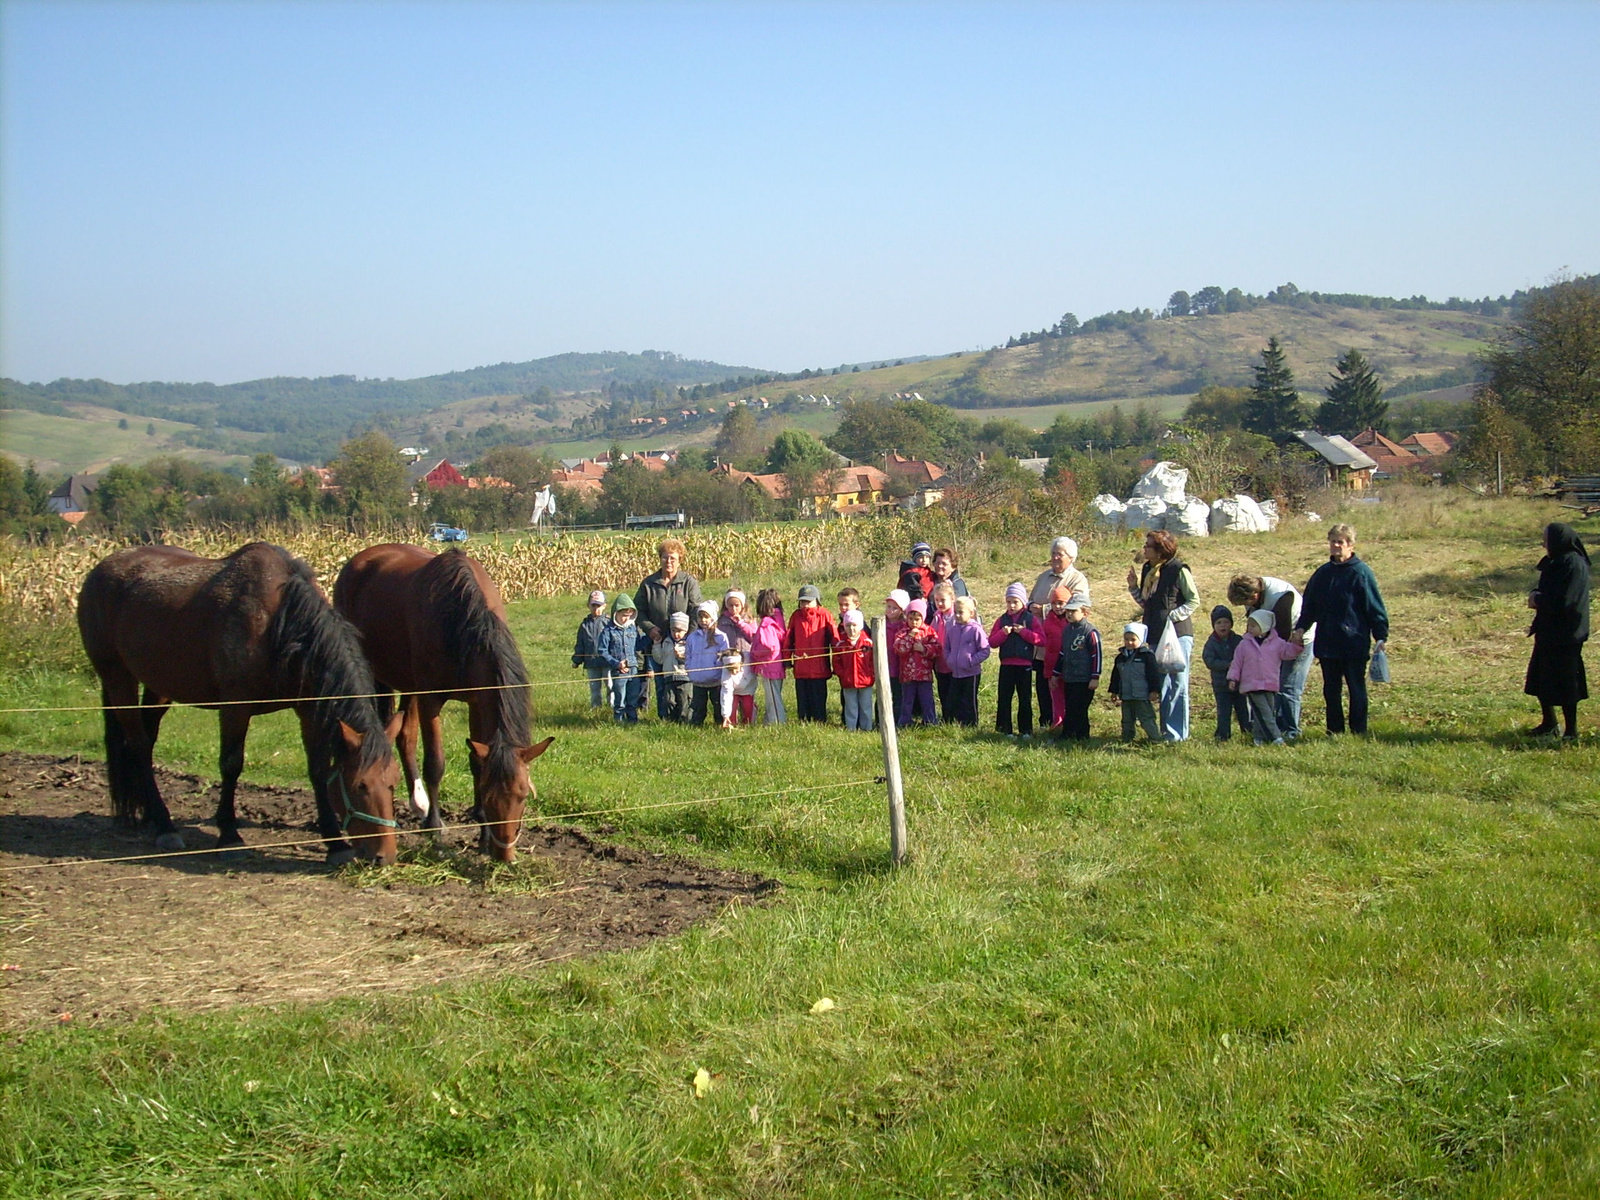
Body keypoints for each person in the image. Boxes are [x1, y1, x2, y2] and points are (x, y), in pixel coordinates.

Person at [1293, 523, 1391, 737]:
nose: (1336, 546)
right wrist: (1301, 628)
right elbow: (1311, 606)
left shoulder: (1360, 573)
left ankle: (1359, 731)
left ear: (1350, 545)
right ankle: (1334, 731)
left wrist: (1381, 635)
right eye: (1333, 541)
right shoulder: (1323, 574)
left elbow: (1374, 606)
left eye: (1340, 542)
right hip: (1328, 642)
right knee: (1331, 690)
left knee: (1356, 688)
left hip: (1354, 642)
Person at [1127, 529, 1199, 741]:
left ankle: (1177, 735)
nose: (1144, 548)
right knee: (1162, 684)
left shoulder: (1178, 569)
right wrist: (1133, 587)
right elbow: (1147, 604)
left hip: (1177, 635)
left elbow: (1193, 600)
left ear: (1160, 550)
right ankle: (1164, 732)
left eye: (1148, 545)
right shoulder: (1148, 569)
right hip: (1154, 634)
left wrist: (1172, 616)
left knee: (1177, 682)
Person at [1522, 521, 1591, 739]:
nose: (1544, 545)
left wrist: (1537, 599)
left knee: (1566, 682)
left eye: (1546, 540)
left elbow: (1563, 601)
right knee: (1542, 677)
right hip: (1550, 631)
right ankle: (1549, 723)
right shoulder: (1559, 561)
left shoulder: (1571, 564)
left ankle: (1571, 731)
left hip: (1566, 634)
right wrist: (1537, 594)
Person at [1226, 570, 1314, 740]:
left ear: (1255, 595)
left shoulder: (1281, 597)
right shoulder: (1253, 596)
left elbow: (1282, 634)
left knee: (1288, 686)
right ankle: (1274, 728)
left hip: (1296, 641)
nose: (1246, 605)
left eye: (1246, 602)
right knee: (1276, 686)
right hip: (1270, 643)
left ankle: (1291, 730)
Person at [636, 538, 703, 720]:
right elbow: (638, 611)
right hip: (658, 642)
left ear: (680, 559)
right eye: (665, 558)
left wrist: (688, 637)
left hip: (684, 643)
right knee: (661, 682)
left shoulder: (688, 582)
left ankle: (686, 717)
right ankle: (665, 719)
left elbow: (696, 609)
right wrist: (649, 629)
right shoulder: (649, 584)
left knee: (683, 681)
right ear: (660, 558)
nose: (669, 562)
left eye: (673, 558)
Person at [1030, 537, 1091, 727]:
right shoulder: (1044, 577)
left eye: (1060, 554)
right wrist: (1031, 606)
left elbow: (1079, 606)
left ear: (1071, 558)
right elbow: (1031, 599)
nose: (1055, 557)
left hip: (1063, 643)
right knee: (1042, 682)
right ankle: (1045, 721)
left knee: (1061, 686)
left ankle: (1064, 723)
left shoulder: (1077, 579)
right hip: (1041, 643)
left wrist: (1045, 610)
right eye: (1053, 553)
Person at [1229, 609, 1302, 746]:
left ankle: (1259, 738)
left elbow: (1288, 652)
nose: (1250, 628)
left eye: (1254, 625)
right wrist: (1233, 678)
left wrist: (1297, 646)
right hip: (1251, 685)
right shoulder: (1244, 644)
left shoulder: (1278, 643)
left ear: (1264, 626)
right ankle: (1276, 738)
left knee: (1265, 712)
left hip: (1270, 683)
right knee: (1264, 712)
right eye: (1249, 625)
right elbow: (1236, 663)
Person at [991, 581, 1043, 737]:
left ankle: (1026, 730)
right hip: (1006, 665)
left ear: (1023, 602)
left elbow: (1041, 640)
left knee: (1025, 699)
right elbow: (992, 642)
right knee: (1004, 698)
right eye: (1008, 602)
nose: (1011, 605)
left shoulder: (1030, 619)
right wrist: (1002, 633)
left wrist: (1024, 632)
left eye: (1015, 602)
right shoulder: (1002, 620)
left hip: (1025, 665)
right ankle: (1004, 729)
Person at [1053, 595, 1100, 742]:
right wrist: (1056, 673)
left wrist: (1095, 676)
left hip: (1084, 678)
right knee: (1071, 706)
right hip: (1069, 676)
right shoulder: (1067, 631)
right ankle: (1077, 736)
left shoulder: (1090, 632)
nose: (1069, 614)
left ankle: (1073, 735)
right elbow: (1062, 652)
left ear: (1085, 613)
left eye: (1073, 611)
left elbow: (1096, 655)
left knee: (1078, 708)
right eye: (1068, 611)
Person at [788, 584, 837, 722]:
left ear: (817, 600)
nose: (806, 605)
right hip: (801, 668)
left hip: (819, 668)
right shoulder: (796, 616)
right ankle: (803, 721)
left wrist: (839, 659)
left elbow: (834, 637)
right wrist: (787, 659)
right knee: (803, 698)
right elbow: (789, 638)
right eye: (803, 601)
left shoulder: (825, 615)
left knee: (818, 698)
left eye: (809, 601)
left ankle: (820, 721)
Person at [1201, 605, 1251, 741]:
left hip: (1240, 684)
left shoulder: (1238, 640)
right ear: (1213, 625)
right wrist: (1227, 665)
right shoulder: (1211, 643)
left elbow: (1246, 656)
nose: (1223, 625)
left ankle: (1248, 733)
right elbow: (1209, 661)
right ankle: (1223, 736)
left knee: (1243, 710)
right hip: (1221, 684)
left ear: (1231, 624)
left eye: (1226, 622)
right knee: (1224, 711)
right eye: (1219, 623)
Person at [1109, 622, 1162, 742]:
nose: (1129, 642)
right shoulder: (1120, 657)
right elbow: (1116, 676)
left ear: (1141, 639)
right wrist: (1114, 691)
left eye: (1133, 639)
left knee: (1146, 717)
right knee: (1127, 719)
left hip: (1142, 695)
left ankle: (1155, 738)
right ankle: (1127, 739)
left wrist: (1154, 691)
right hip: (1126, 695)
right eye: (1126, 639)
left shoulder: (1147, 656)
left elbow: (1153, 675)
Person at [942, 596, 990, 726]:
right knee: (954, 697)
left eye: (961, 612)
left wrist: (971, 661)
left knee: (969, 699)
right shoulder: (952, 629)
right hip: (955, 672)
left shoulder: (976, 629)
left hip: (971, 672)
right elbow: (946, 646)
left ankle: (971, 723)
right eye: (955, 611)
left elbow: (985, 650)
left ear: (971, 613)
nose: (957, 615)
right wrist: (949, 659)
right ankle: (953, 721)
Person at [894, 599, 941, 727]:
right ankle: (905, 721)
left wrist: (924, 649)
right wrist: (910, 638)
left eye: (917, 619)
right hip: (907, 674)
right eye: (911, 618)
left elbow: (937, 649)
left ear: (923, 618)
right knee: (907, 700)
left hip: (924, 674)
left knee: (927, 699)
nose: (914, 622)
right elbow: (899, 648)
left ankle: (930, 720)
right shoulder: (902, 632)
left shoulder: (929, 631)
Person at [598, 592, 644, 723]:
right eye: (623, 615)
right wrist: (616, 664)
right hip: (619, 671)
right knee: (620, 698)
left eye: (629, 616)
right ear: (615, 613)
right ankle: (618, 721)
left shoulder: (632, 629)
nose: (626, 618)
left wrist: (650, 639)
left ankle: (633, 721)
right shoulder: (608, 631)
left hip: (633, 669)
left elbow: (638, 645)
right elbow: (602, 651)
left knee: (633, 698)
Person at [717, 589, 758, 728]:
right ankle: (730, 719)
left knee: (746, 691)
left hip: (746, 659)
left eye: (737, 605)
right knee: (729, 690)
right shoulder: (721, 621)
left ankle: (749, 719)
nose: (733, 609)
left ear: (743, 605)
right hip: (729, 660)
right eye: (730, 605)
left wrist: (741, 623)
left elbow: (753, 637)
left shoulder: (749, 620)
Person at [749, 588, 789, 724]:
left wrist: (754, 651)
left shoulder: (766, 623)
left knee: (773, 697)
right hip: (778, 664)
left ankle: (777, 721)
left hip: (769, 666)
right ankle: (769, 720)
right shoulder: (779, 619)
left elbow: (767, 645)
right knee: (774, 694)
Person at [833, 609, 876, 731]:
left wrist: (871, 674)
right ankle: (851, 728)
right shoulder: (841, 644)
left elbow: (873, 661)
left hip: (865, 681)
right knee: (850, 707)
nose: (851, 629)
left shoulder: (868, 643)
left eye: (854, 625)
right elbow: (836, 661)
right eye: (848, 625)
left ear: (860, 626)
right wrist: (842, 674)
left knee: (866, 706)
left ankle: (866, 728)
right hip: (848, 681)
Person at [649, 610, 693, 722]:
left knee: (684, 701)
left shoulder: (689, 643)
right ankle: (670, 720)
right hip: (669, 677)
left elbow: (693, 659)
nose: (676, 634)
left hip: (684, 677)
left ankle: (685, 722)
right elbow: (660, 659)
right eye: (673, 630)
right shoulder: (667, 642)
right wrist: (657, 645)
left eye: (679, 631)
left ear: (686, 630)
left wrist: (682, 656)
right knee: (669, 701)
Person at [1040, 584, 1073, 729]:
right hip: (1051, 665)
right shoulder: (1047, 621)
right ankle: (1057, 722)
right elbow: (1042, 640)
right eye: (1054, 603)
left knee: (1069, 696)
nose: (1057, 606)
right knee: (1056, 696)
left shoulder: (1071, 622)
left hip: (1069, 666)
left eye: (1061, 603)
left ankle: (1069, 722)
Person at [571, 589, 610, 709]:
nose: (596, 608)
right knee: (594, 689)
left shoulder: (609, 623)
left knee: (611, 686)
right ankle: (596, 709)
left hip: (608, 662)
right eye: (593, 605)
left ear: (604, 606)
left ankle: (613, 709)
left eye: (599, 605)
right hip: (591, 662)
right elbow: (580, 645)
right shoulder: (584, 625)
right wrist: (577, 660)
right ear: (588, 605)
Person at [928, 581, 958, 719]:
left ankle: (954, 717)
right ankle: (946, 717)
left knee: (954, 692)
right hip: (940, 661)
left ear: (952, 599)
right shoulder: (937, 616)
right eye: (937, 600)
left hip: (953, 660)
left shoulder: (955, 617)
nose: (940, 603)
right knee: (943, 690)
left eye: (943, 600)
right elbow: (932, 633)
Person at [883, 588, 910, 715]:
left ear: (902, 610)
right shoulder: (880, 624)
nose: (890, 610)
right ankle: (880, 719)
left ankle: (898, 719)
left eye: (894, 607)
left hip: (899, 667)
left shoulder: (905, 627)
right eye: (888, 606)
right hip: (884, 665)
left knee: (898, 695)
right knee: (883, 694)